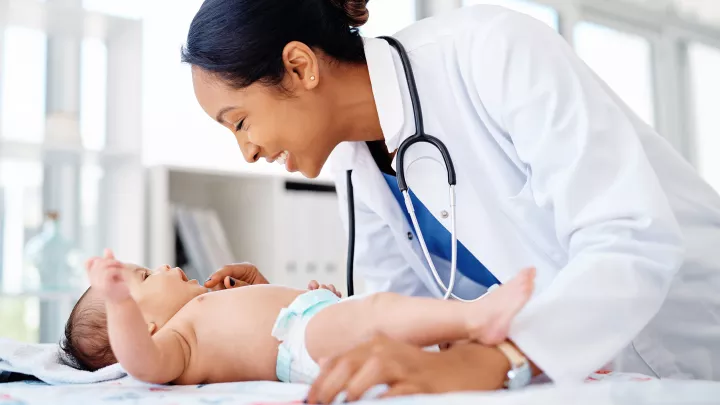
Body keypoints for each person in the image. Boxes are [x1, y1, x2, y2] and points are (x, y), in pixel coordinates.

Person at [181, 0, 720, 401]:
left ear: (300, 67)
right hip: (584, 376)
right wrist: (276, 308)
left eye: (240, 122)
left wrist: (500, 359)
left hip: (687, 336)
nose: (247, 152)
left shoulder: (490, 52)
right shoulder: (354, 164)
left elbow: (631, 236)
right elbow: (405, 315)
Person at [61, 249, 534, 386]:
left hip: (313, 324)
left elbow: (262, 315)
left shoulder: (202, 308)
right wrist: (119, 302)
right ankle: (474, 317)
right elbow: (139, 362)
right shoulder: (174, 347)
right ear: (145, 327)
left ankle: (465, 336)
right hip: (300, 343)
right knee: (376, 312)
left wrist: (316, 301)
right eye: (145, 276)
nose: (163, 267)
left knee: (378, 312)